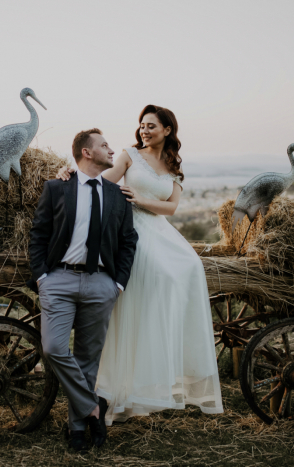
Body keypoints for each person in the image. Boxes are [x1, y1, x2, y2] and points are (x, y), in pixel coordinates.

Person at [55, 105, 223, 426]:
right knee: (151, 277)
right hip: (130, 231)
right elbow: (103, 180)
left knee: (189, 267)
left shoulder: (173, 166)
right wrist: (73, 174)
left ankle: (157, 370)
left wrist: (141, 200)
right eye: (142, 125)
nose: (144, 130)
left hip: (159, 229)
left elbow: (171, 207)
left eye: (151, 126)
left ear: (167, 130)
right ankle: (114, 390)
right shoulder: (131, 154)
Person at [28, 128, 138, 452]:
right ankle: (93, 407)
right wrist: (42, 278)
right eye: (104, 145)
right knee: (53, 349)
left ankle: (77, 430)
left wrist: (118, 283)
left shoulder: (118, 195)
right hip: (59, 280)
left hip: (102, 282)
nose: (111, 149)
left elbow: (129, 241)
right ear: (86, 152)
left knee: (88, 358)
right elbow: (38, 234)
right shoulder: (57, 187)